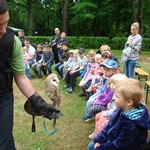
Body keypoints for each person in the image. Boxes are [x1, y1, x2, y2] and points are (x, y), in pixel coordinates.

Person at [0, 1, 61, 149]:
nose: (3, 29)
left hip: (2, 98)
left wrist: (38, 102)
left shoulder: (11, 40)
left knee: (4, 142)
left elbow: (20, 76)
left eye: (5, 23)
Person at [88, 78, 150, 150]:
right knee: (91, 145)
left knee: (92, 147)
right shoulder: (122, 110)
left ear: (129, 102)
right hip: (112, 140)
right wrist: (99, 139)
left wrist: (100, 148)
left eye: (117, 96)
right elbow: (109, 126)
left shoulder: (133, 125)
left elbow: (120, 146)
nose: (113, 98)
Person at [88, 73, 127, 140]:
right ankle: (96, 132)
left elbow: (115, 111)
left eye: (114, 84)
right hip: (109, 111)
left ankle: (100, 138)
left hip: (112, 115)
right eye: (111, 83)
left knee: (100, 123)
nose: (111, 85)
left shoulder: (120, 98)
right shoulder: (115, 93)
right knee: (97, 115)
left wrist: (105, 114)